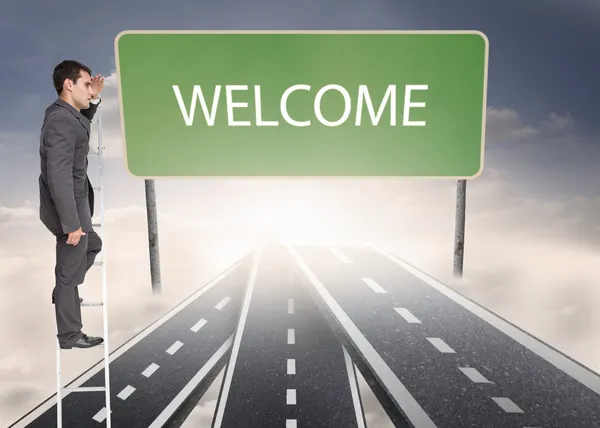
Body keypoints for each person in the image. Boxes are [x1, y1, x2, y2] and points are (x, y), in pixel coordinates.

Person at [38, 60, 105, 349]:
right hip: (70, 211)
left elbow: (82, 126)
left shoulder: (67, 114)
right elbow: (58, 174)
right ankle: (70, 335)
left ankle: (63, 291)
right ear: (69, 84)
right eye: (86, 84)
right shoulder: (61, 120)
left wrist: (96, 99)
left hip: (77, 205)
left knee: (92, 246)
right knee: (68, 272)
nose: (90, 90)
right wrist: (71, 224)